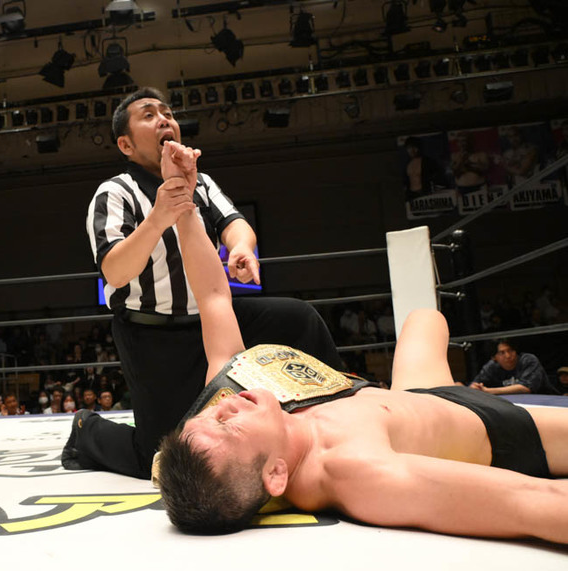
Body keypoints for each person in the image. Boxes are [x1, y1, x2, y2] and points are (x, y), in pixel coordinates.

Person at [148, 176, 568, 543]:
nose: (225, 406)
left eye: (208, 416)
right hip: (496, 431)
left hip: (416, 398)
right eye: (228, 425)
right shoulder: (354, 470)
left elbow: (214, 297)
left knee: (425, 318)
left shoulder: (251, 408)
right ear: (275, 475)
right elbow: (529, 503)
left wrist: (183, 201)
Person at [62, 87, 341, 480]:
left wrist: (241, 248)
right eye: (148, 115)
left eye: (167, 112)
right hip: (152, 333)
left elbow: (235, 223)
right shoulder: (115, 192)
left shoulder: (202, 182)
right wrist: (159, 216)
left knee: (298, 318)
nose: (164, 119)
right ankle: (87, 430)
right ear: (126, 144)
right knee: (160, 456)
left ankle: (337, 411)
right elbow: (115, 272)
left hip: (213, 319)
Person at [470, 339, 556, 395]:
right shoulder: (491, 367)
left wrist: (489, 391)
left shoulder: (528, 360)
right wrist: (476, 387)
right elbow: (474, 385)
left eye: (510, 350)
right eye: (502, 353)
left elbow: (526, 388)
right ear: (494, 357)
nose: (508, 356)